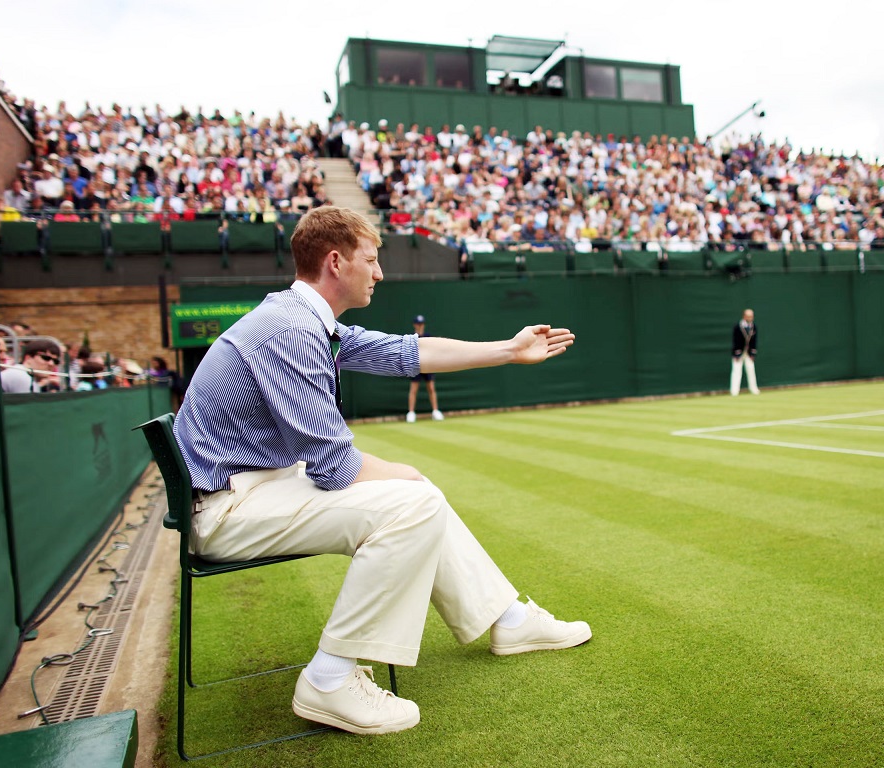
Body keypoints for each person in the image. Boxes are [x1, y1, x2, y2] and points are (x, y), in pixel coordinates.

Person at [173, 206, 591, 736]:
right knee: (413, 498)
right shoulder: (290, 328)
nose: (379, 272)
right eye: (370, 260)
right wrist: (405, 474)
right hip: (227, 508)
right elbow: (332, 466)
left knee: (415, 492)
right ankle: (329, 679)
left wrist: (509, 350)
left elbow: (406, 353)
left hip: (251, 488)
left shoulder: (302, 319)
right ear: (334, 262)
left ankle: (506, 620)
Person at [405, 314, 443, 423]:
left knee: (431, 388)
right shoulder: (411, 338)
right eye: (418, 324)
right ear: (414, 325)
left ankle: (435, 411)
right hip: (415, 365)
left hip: (428, 365)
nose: (420, 326)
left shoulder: (428, 336)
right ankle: (411, 413)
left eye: (421, 324)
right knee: (413, 390)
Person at [730, 308, 759, 396]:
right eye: (748, 316)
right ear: (744, 316)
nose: (750, 318)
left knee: (751, 370)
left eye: (751, 316)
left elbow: (754, 341)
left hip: (748, 353)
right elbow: (735, 340)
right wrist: (737, 353)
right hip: (738, 352)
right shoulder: (737, 326)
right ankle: (734, 391)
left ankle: (753, 389)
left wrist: (753, 353)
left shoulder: (754, 326)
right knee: (736, 371)